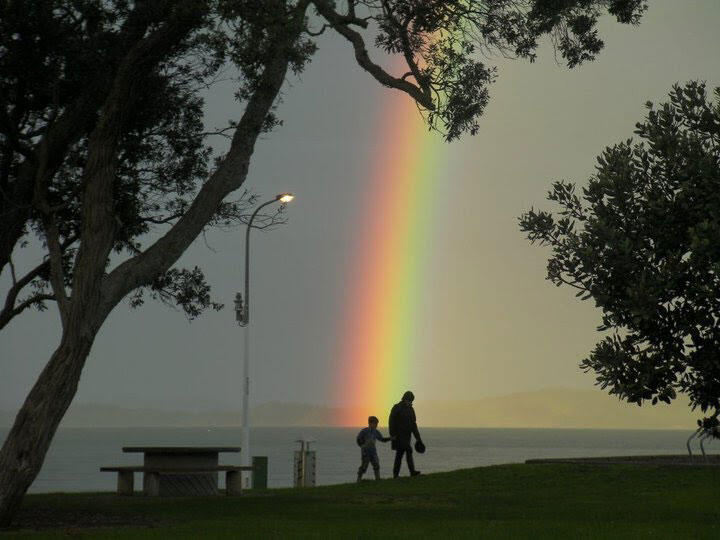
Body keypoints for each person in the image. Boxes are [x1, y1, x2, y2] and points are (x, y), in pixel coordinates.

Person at [389, 390, 423, 478]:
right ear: (404, 398)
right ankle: (411, 472)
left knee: (400, 455)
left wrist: (418, 438)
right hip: (398, 436)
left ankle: (397, 475)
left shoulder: (411, 409)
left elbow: (413, 424)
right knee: (408, 451)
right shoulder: (397, 408)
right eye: (409, 400)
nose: (410, 402)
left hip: (407, 436)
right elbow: (391, 422)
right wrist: (393, 434)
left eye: (411, 400)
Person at [356, 416, 392, 482]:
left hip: (373, 452)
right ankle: (358, 480)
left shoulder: (376, 432)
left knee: (376, 465)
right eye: (375, 423)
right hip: (365, 452)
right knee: (364, 467)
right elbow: (358, 439)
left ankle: (377, 479)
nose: (376, 425)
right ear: (370, 423)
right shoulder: (364, 431)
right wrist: (362, 445)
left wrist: (391, 438)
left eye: (377, 424)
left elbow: (382, 439)